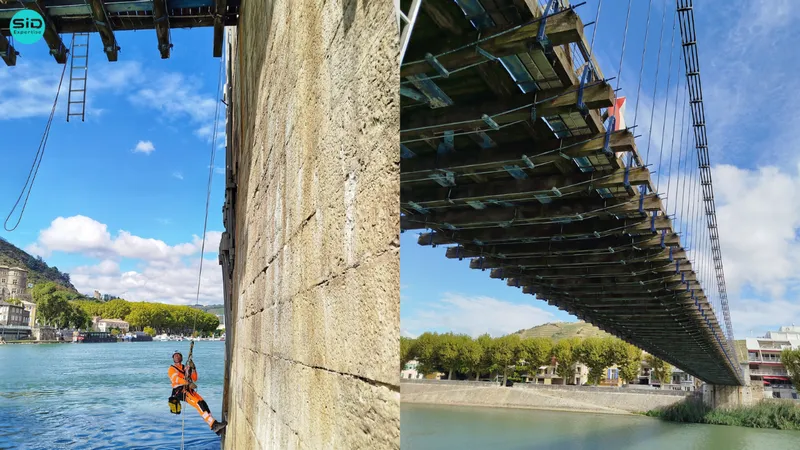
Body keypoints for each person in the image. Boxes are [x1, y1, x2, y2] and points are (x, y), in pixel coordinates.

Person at [169, 350, 227, 435]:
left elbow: (195, 378)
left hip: (188, 389)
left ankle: (216, 427)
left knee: (202, 403)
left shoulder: (185, 368)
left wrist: (193, 369)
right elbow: (176, 379)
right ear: (173, 358)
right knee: (198, 404)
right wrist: (187, 382)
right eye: (175, 356)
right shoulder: (172, 369)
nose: (177, 357)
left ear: (181, 357)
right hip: (180, 391)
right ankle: (214, 425)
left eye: (178, 355)